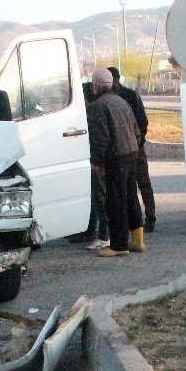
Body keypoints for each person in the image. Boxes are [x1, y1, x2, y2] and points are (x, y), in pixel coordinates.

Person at [87, 68, 144, 257]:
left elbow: (100, 138)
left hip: (116, 156)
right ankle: (138, 240)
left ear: (96, 86)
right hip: (132, 153)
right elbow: (136, 128)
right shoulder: (121, 101)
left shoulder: (98, 106)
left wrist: (97, 161)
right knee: (130, 197)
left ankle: (119, 246)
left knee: (115, 201)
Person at [106, 66, 156, 232]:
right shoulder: (107, 98)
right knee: (128, 187)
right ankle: (135, 221)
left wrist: (138, 142)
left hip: (134, 147)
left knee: (143, 184)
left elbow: (142, 121)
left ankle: (150, 217)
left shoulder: (131, 96)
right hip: (120, 150)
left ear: (117, 80)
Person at [68, 81, 110, 249]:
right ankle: (92, 230)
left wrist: (96, 160)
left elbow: (98, 138)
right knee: (94, 198)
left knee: (100, 198)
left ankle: (103, 235)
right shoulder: (94, 109)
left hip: (97, 162)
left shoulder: (93, 111)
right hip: (97, 160)